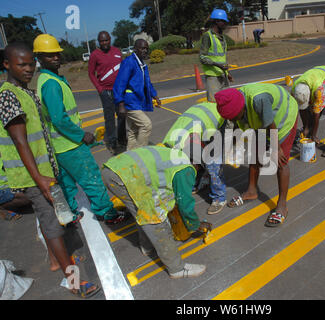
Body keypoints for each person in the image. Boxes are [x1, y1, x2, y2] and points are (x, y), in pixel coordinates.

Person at [0, 42, 100, 298]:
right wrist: (40, 179)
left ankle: (57, 261)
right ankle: (75, 281)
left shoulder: (26, 92)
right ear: (7, 65)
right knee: (53, 225)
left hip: (42, 171)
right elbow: (20, 141)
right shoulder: (8, 95)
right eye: (21, 64)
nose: (29, 69)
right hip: (34, 176)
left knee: (51, 221)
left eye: (31, 63)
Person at [34, 34, 126, 225]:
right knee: (91, 178)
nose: (56, 58)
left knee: (67, 183)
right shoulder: (51, 83)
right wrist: (81, 135)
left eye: (57, 54)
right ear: (39, 58)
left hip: (59, 145)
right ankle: (106, 213)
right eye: (49, 55)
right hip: (71, 144)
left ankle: (70, 214)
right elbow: (59, 119)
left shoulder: (47, 79)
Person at [101, 145, 209, 278]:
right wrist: (195, 225)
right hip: (123, 176)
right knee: (155, 221)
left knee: (141, 212)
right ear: (197, 164)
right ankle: (176, 269)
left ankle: (147, 246)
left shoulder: (174, 154)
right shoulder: (186, 168)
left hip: (113, 169)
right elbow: (185, 203)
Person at [214, 83, 298, 227]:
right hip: (262, 123)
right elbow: (234, 123)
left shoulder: (259, 100)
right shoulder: (234, 100)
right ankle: (251, 191)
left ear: (241, 108)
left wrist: (276, 148)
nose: (234, 120)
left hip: (282, 119)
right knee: (255, 154)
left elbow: (270, 124)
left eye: (235, 117)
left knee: (280, 162)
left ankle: (282, 204)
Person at [162, 102, 227, 215]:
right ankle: (198, 179)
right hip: (198, 116)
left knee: (213, 164)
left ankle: (219, 198)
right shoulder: (169, 144)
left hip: (216, 116)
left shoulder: (194, 144)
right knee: (191, 165)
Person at [113, 39, 161, 150]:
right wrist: (120, 104)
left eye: (146, 49)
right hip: (130, 103)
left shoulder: (142, 64)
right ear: (135, 49)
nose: (145, 51)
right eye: (142, 48)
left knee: (133, 131)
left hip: (137, 101)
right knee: (146, 125)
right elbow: (119, 84)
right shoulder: (129, 62)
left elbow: (147, 82)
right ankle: (141, 152)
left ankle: (130, 156)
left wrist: (155, 95)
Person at [292, 65, 325, 158]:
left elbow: (317, 114)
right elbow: (302, 109)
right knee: (310, 111)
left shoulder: (318, 90)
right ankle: (308, 131)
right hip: (321, 76)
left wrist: (313, 135)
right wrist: (306, 127)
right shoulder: (295, 88)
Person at [88, 31, 126, 155]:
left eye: (106, 40)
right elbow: (91, 74)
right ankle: (112, 141)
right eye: (102, 41)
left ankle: (122, 138)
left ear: (110, 39)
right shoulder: (95, 55)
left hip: (119, 90)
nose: (104, 43)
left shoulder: (116, 51)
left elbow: (122, 69)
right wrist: (100, 89)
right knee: (109, 118)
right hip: (106, 92)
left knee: (122, 114)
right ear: (99, 42)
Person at [199, 9, 233, 103]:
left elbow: (222, 58)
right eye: (223, 22)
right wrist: (218, 65)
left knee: (227, 103)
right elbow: (202, 57)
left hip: (223, 75)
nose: (225, 24)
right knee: (214, 104)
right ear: (216, 21)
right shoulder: (207, 36)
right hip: (213, 77)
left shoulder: (222, 38)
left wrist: (228, 72)